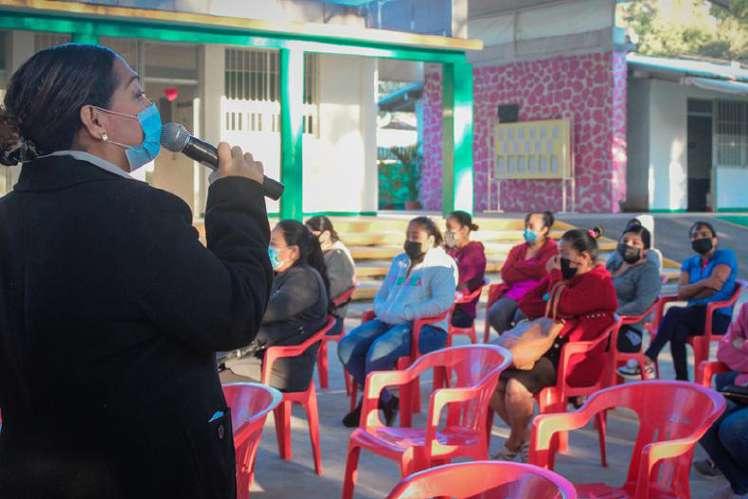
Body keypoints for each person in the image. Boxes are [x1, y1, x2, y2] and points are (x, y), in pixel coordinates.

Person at [0, 44, 273, 498]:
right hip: (144, 473)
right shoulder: (140, 213)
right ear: (96, 120)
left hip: (31, 474)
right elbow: (234, 314)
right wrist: (238, 200)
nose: (152, 109)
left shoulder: (8, 216)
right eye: (138, 94)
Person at [490, 227, 617, 461]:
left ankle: (514, 442)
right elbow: (527, 303)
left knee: (515, 388)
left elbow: (565, 306)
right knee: (491, 384)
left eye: (564, 254)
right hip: (544, 349)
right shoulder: (563, 277)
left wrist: (555, 288)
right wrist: (554, 291)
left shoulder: (599, 282)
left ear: (584, 257)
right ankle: (525, 437)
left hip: (573, 359)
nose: (558, 259)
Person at [337, 216, 457, 427]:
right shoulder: (400, 261)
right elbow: (382, 294)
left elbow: (442, 302)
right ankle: (386, 400)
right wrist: (383, 310)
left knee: (378, 349)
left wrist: (408, 313)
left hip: (426, 329)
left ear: (430, 239)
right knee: (347, 347)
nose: (410, 240)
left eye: (415, 236)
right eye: (408, 235)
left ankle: (368, 406)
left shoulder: (442, 264)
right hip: (389, 321)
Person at [619, 221, 738, 381]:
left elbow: (715, 285)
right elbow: (682, 293)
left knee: (674, 312)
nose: (699, 238)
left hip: (717, 316)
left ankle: (649, 356)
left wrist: (692, 291)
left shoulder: (725, 255)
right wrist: (703, 283)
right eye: (694, 236)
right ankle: (681, 378)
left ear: (715, 240)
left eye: (704, 234)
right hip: (692, 315)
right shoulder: (690, 263)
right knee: (678, 329)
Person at [223, 221, 330, 392]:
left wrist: (230, 308)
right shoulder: (284, 274)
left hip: (281, 369)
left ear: (293, 252)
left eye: (273, 244)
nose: (268, 248)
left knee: (208, 381)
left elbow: (265, 312)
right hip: (259, 356)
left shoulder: (305, 280)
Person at [487, 211, 558, 338]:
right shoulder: (517, 250)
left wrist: (518, 266)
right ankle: (509, 341)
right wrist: (531, 268)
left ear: (544, 230)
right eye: (526, 226)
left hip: (537, 295)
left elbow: (543, 271)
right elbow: (506, 274)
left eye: (531, 227)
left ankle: (520, 344)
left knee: (521, 317)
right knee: (495, 313)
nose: (527, 230)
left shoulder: (553, 249)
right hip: (514, 293)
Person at [606, 220, 662, 354]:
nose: (628, 245)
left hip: (627, 330)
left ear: (645, 250)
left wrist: (613, 314)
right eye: (625, 241)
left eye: (635, 243)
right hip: (603, 322)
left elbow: (642, 303)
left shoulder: (648, 270)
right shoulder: (615, 264)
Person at [305, 216, 356, 335]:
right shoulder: (317, 251)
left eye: (311, 234)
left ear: (326, 234)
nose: (307, 238)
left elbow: (332, 290)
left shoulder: (338, 255)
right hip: (313, 313)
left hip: (329, 319)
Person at [444, 210, 486, 328]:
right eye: (446, 228)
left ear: (464, 230)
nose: (447, 233)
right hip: (449, 303)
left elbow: (462, 285)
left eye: (450, 228)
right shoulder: (454, 250)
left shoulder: (473, 252)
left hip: (461, 311)